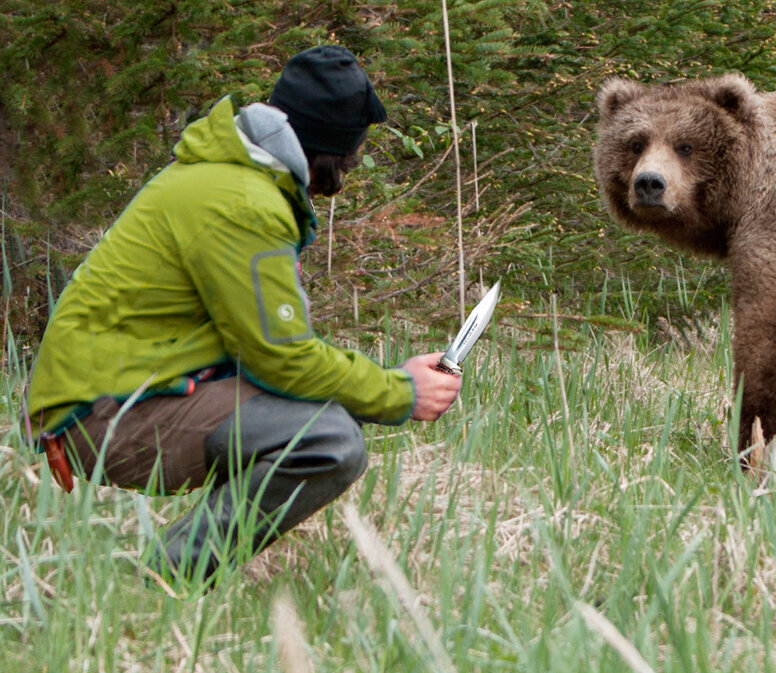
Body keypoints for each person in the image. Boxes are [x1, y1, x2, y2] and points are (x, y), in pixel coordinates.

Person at [24, 45, 463, 590]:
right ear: (323, 150)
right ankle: (161, 580)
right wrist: (400, 391)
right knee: (329, 441)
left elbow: (270, 348)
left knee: (310, 419)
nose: (340, 184)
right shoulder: (243, 204)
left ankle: (175, 564)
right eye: (345, 164)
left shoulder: (226, 176)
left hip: (107, 396)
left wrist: (386, 381)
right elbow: (281, 357)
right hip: (101, 417)